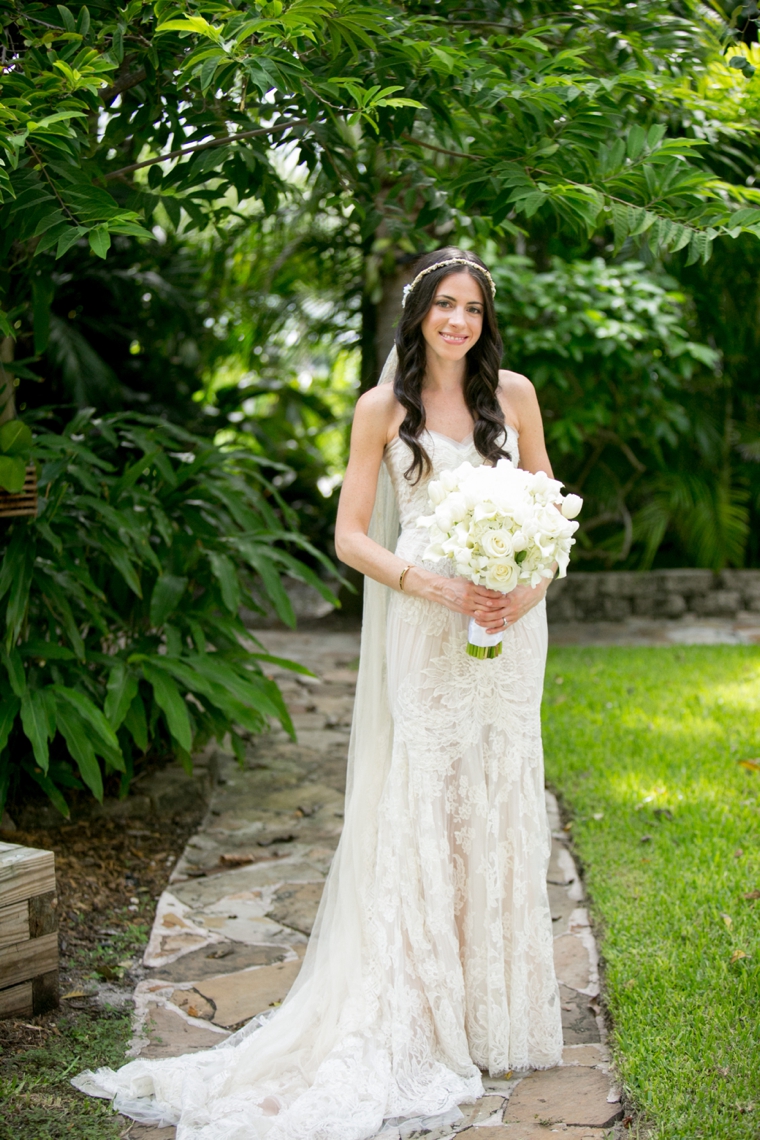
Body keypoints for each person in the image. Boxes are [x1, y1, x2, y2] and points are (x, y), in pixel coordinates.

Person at [73, 248, 563, 1140]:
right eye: (444, 305)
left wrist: (521, 590)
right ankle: (419, 1008)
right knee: (426, 796)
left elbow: (548, 508)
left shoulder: (514, 396)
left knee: (495, 792)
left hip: (508, 624)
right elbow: (348, 537)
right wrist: (440, 588)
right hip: (427, 622)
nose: (459, 321)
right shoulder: (383, 408)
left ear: (487, 323)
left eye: (474, 310)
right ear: (418, 313)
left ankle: (490, 1010)